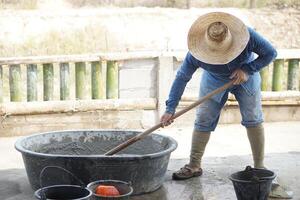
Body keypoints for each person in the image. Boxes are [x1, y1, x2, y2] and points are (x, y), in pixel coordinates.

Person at [160, 12, 292, 198]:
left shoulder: (248, 36)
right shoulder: (196, 51)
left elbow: (271, 53)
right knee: (204, 118)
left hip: (245, 76)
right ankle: (194, 164)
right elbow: (182, 78)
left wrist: (248, 69)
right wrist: (170, 108)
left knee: (253, 117)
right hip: (213, 79)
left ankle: (260, 166)